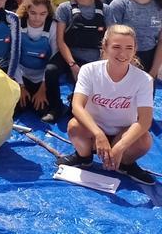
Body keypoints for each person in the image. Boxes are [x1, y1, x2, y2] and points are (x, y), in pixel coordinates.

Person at [56, 25, 155, 186]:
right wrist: (98, 134)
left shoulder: (144, 79)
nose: (122, 54)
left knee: (144, 140)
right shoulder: (89, 70)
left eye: (128, 47)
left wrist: (120, 147)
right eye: (116, 47)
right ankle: (84, 157)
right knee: (74, 126)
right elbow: (77, 106)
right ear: (105, 46)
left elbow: (144, 120)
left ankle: (125, 164)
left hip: (123, 131)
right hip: (93, 129)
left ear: (135, 49)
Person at [14, 0, 63, 122]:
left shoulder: (52, 26)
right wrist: (20, 86)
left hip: (42, 77)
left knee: (41, 109)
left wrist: (42, 88)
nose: (37, 18)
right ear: (26, 10)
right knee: (16, 108)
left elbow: (54, 56)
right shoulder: (18, 23)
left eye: (43, 14)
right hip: (22, 76)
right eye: (33, 13)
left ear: (48, 13)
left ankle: (56, 107)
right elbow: (14, 57)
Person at [54, 0, 111, 82]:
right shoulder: (64, 8)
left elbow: (110, 40)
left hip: (96, 60)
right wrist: (73, 65)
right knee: (51, 71)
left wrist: (100, 66)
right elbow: (60, 41)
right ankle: (55, 100)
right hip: (71, 58)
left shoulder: (105, 9)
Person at [109, 0, 162, 76]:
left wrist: (153, 71)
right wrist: (127, 65)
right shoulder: (118, 5)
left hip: (150, 61)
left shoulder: (159, 5)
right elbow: (111, 40)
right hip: (122, 60)